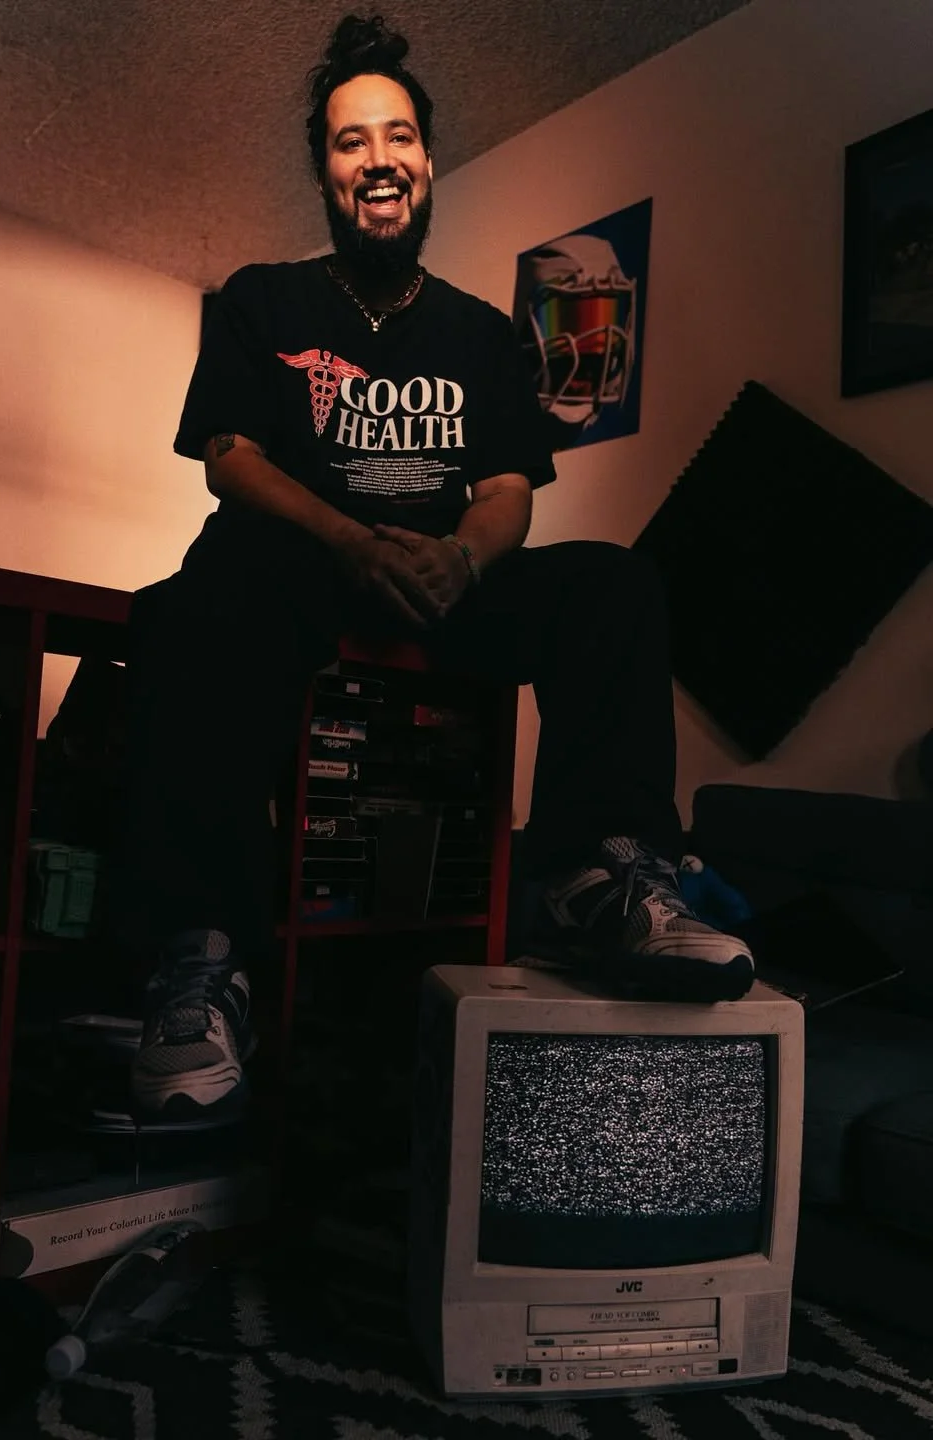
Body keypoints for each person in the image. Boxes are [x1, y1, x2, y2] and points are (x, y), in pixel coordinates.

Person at [120, 14, 754, 1118]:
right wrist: (353, 538)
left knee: (612, 584)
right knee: (196, 598)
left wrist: (463, 558)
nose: (378, 159)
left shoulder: (475, 332)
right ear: (325, 170)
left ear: (426, 159)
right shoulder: (261, 300)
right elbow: (231, 461)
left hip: (441, 578)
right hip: (301, 564)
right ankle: (205, 958)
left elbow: (508, 487)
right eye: (350, 140)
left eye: (399, 136)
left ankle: (596, 871)